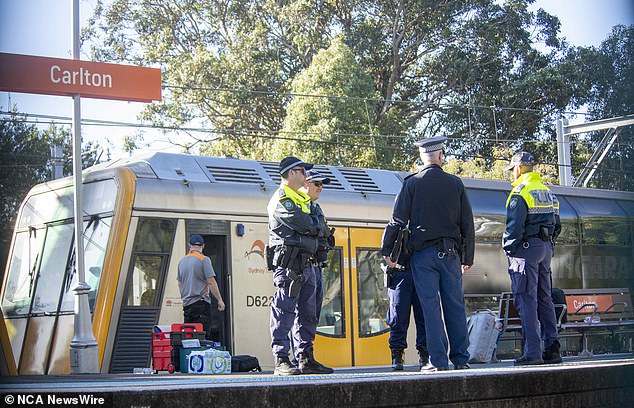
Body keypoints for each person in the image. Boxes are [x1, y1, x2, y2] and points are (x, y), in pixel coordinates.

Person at [384, 136, 474, 372]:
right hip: (452, 254)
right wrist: (468, 257)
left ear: (421, 158)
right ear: (441, 156)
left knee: (430, 308)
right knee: (455, 305)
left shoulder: (412, 183)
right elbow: (468, 223)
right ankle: (461, 359)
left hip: (423, 256)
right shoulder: (455, 184)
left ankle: (438, 361)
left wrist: (388, 251)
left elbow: (397, 219)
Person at [268, 156, 333, 375]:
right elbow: (305, 224)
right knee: (284, 310)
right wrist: (315, 228)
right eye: (303, 171)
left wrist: (314, 228)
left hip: (308, 263)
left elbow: (319, 229)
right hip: (290, 264)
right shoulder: (282, 198)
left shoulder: (303, 201)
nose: (306, 176)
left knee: (308, 313)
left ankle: (305, 357)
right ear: (292, 172)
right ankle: (281, 359)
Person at [503, 151, 562, 365]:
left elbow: (514, 227)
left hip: (526, 250)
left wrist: (510, 250)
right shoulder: (548, 192)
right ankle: (552, 349)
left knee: (526, 299)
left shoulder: (520, 192)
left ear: (518, 169)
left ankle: (532, 353)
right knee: (544, 298)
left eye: (513, 170)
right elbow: (558, 225)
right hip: (546, 249)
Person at [177, 234, 225, 340]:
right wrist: (220, 300)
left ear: (190, 245)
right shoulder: (204, 260)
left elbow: (180, 284)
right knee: (202, 337)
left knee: (189, 339)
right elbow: (211, 282)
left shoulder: (181, 262)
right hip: (201, 304)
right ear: (203, 246)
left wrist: (185, 297)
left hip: (187, 306)